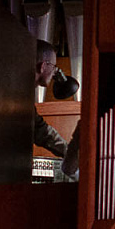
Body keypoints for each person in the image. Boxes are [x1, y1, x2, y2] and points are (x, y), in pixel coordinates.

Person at [34, 39, 80, 180]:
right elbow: (43, 133)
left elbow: (43, 132)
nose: (55, 72)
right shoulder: (20, 99)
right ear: (43, 66)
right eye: (53, 66)